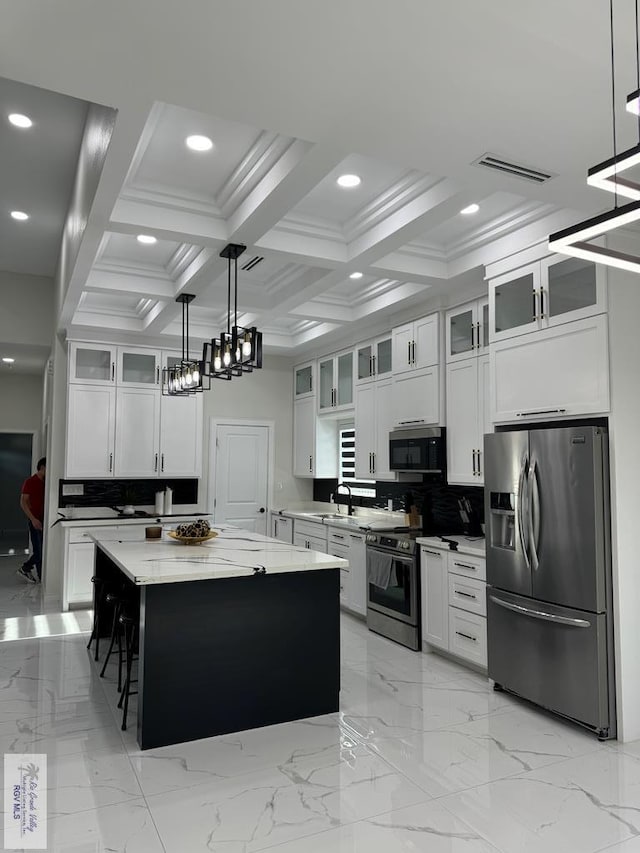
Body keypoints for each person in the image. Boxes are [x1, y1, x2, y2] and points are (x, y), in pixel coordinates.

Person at [18, 457, 46, 584]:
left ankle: (40, 577)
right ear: (42, 467)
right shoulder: (30, 481)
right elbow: (23, 502)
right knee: (39, 551)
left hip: (45, 519)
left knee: (44, 550)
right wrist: (33, 519)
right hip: (35, 520)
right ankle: (26, 568)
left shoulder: (46, 482)